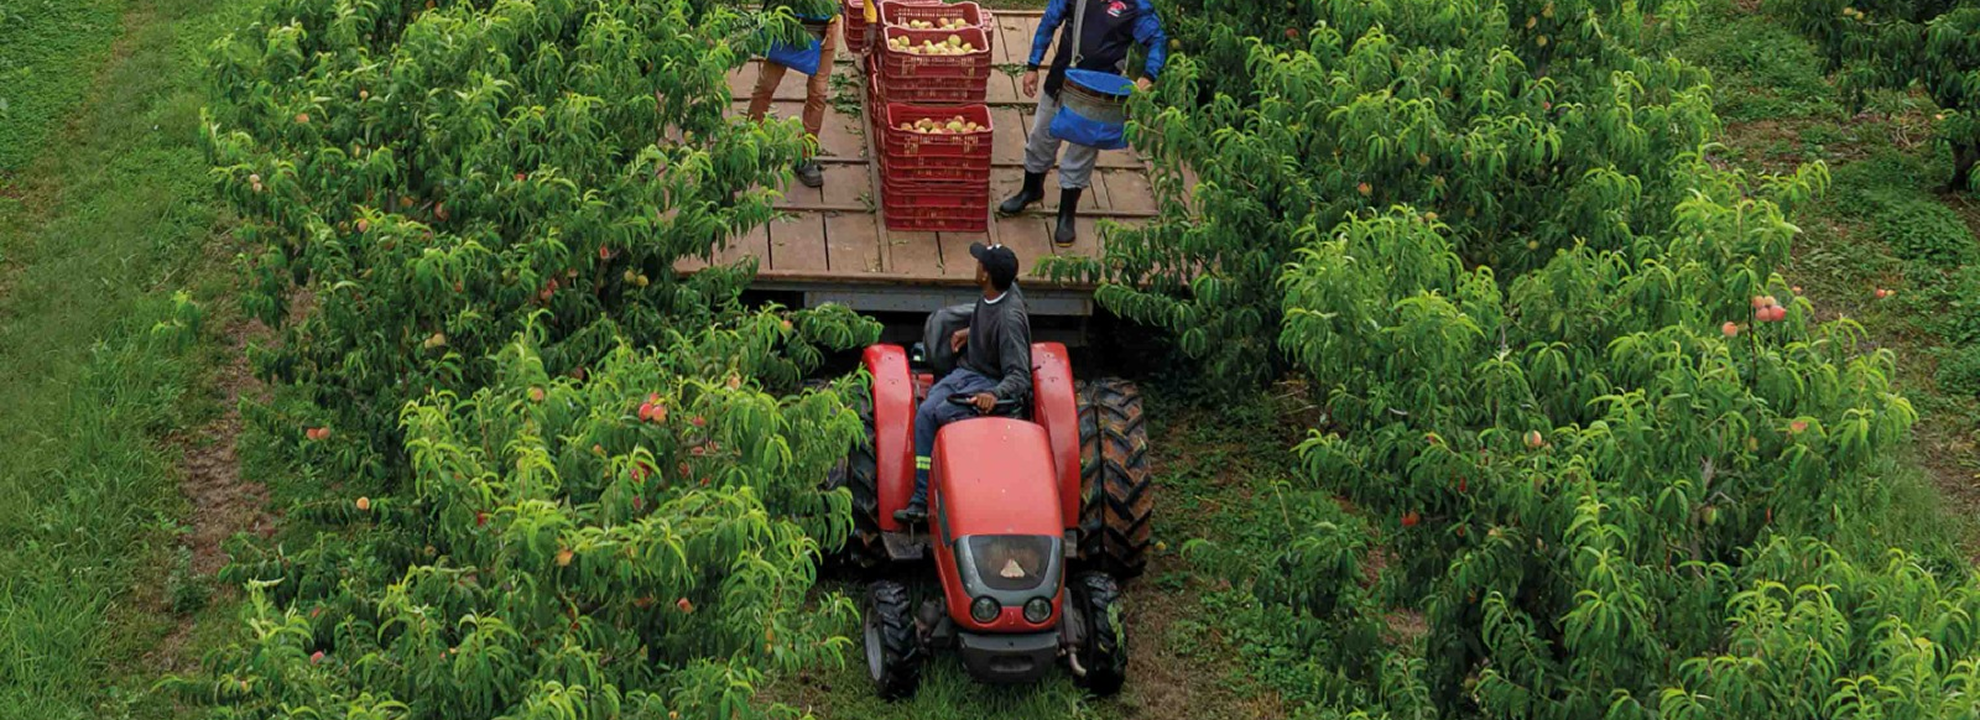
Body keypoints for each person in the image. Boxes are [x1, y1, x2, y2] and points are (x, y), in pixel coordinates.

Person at [997, 0, 1167, 247]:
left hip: (1098, 93)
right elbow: (1049, 23)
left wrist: (1148, 75)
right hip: (1061, 82)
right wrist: (1033, 65)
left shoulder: (1135, 6)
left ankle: (1066, 214)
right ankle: (1031, 190)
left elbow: (1157, 40)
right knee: (1040, 138)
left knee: (1082, 152)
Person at [895, 243, 1033, 524]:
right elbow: (989, 321)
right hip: (967, 371)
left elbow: (1019, 375)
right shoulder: (994, 294)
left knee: (944, 414)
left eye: (980, 262)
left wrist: (993, 394)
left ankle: (962, 499)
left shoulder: (1010, 320)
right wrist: (971, 332)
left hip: (987, 381)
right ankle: (922, 498)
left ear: (986, 275)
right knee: (925, 413)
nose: (976, 264)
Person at [747, 11, 841, 189]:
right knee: (766, 85)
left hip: (824, 29)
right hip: (788, 23)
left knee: (818, 94)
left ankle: (804, 156)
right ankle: (750, 142)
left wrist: (871, 19)